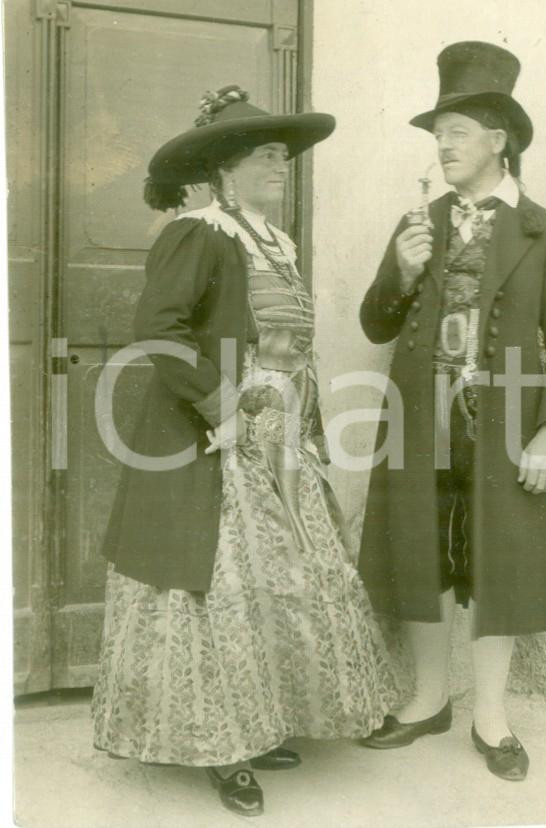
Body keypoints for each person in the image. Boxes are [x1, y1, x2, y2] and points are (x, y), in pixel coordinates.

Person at [92, 85, 400, 816]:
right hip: (213, 442)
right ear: (228, 167)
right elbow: (159, 326)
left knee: (277, 583)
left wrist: (305, 424)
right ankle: (221, 750)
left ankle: (256, 728)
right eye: (268, 155)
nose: (282, 167)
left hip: (280, 438)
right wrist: (222, 402)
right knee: (215, 594)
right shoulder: (200, 231)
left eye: (285, 158)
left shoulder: (274, 242)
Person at [358, 42, 546, 781]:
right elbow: (375, 323)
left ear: (500, 140)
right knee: (422, 553)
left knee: (497, 562)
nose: (442, 145)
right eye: (437, 134)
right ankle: (429, 700)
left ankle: (491, 715)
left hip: (508, 427)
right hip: (420, 418)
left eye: (455, 131)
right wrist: (401, 269)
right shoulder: (420, 219)